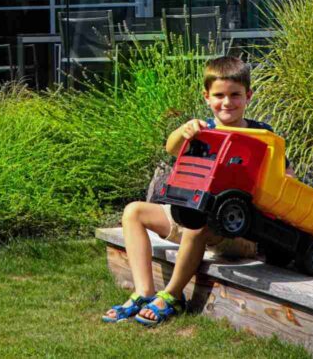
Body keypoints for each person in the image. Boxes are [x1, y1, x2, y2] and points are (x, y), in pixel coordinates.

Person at [102, 56, 278, 326]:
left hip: (234, 230)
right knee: (133, 212)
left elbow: (282, 175)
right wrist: (183, 131)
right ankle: (143, 291)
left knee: (198, 225)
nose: (227, 102)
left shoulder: (262, 135)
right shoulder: (202, 130)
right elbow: (171, 147)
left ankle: (171, 295)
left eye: (235, 95)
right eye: (219, 95)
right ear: (207, 97)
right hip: (191, 213)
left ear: (248, 96)